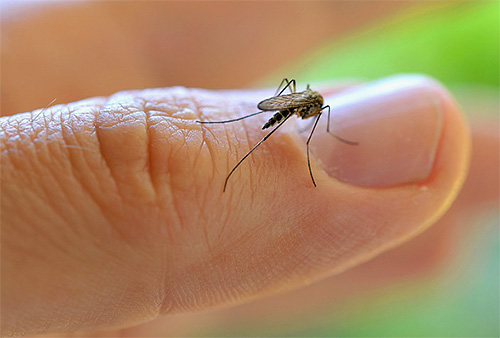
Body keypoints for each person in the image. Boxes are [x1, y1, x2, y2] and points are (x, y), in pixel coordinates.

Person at [1, 2, 497, 337]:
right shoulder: (309, 104)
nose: (316, 113)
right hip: (269, 106)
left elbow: (311, 111)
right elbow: (303, 108)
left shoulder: (313, 105)